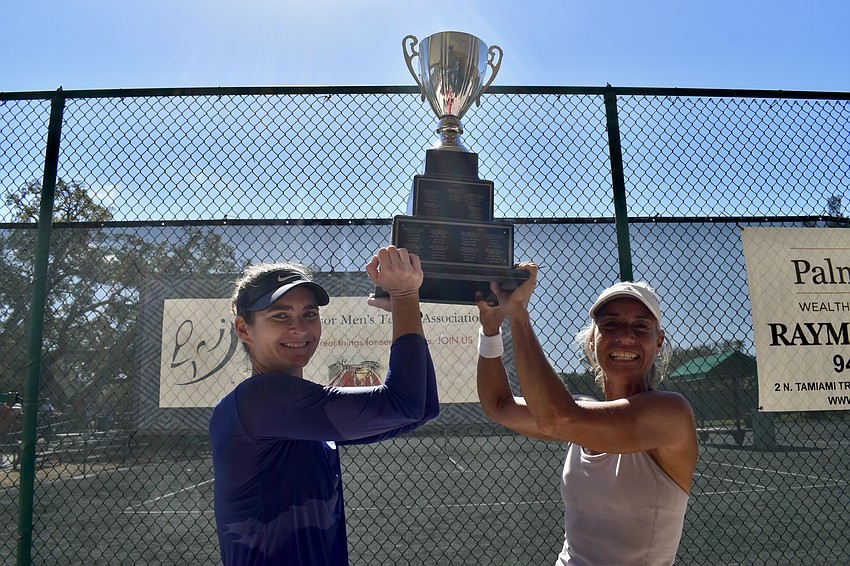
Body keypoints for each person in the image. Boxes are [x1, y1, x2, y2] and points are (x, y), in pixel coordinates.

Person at [210, 245, 439, 566]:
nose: (300, 328)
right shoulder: (258, 399)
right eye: (280, 316)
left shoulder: (291, 411)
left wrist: (408, 309)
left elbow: (421, 408)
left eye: (310, 314)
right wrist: (404, 298)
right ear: (243, 329)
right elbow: (405, 406)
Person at [475, 264, 698, 566]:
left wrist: (518, 314)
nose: (625, 337)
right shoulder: (579, 410)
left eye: (641, 326)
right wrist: (489, 328)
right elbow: (498, 405)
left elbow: (557, 417)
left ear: (658, 341)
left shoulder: (670, 413)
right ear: (593, 340)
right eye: (611, 324)